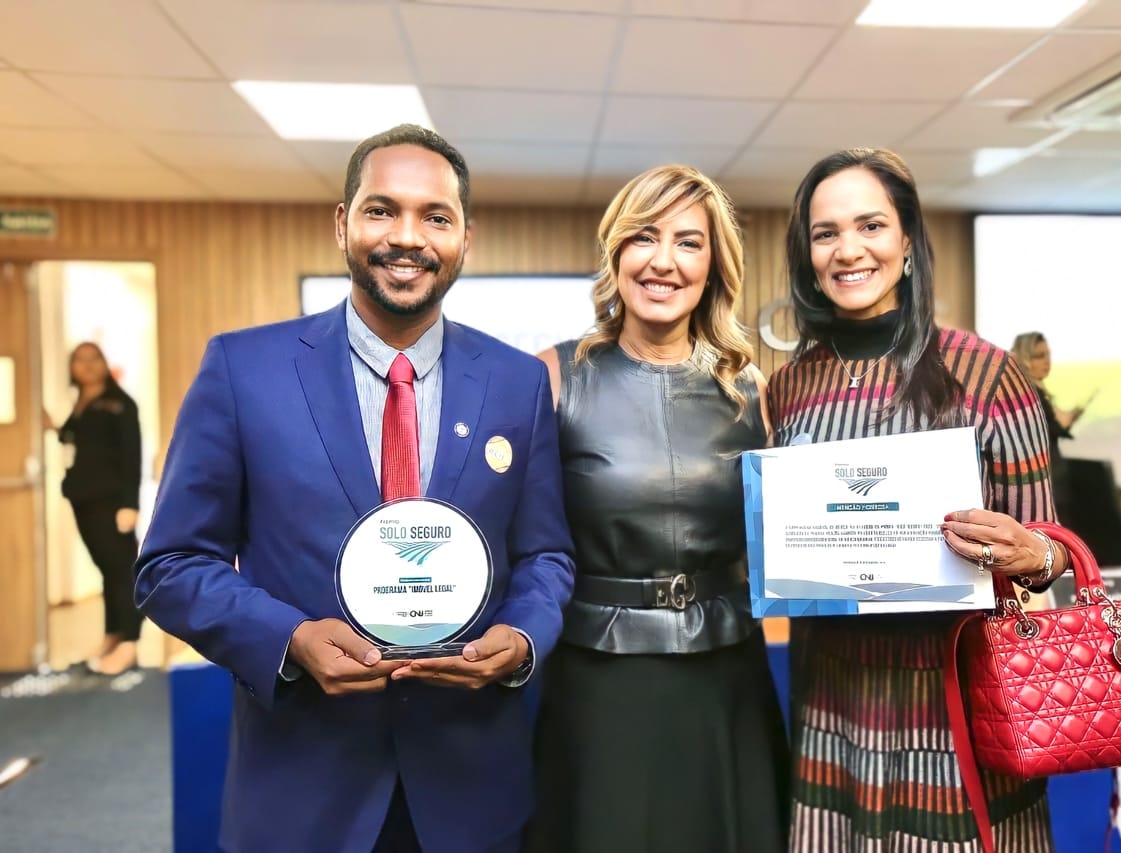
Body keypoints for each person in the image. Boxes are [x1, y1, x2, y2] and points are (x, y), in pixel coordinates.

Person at [135, 124, 575, 853]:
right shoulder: (244, 371)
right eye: (382, 210)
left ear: (467, 239)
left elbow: (546, 555)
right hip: (302, 793)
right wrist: (291, 638)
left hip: (471, 794)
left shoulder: (517, 382)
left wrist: (523, 636)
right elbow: (171, 565)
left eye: (436, 216)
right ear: (343, 223)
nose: (408, 236)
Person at [767, 149, 1072, 851]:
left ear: (907, 241)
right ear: (807, 252)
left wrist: (1032, 550)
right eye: (825, 232)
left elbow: (1051, 548)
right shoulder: (789, 389)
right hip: (833, 712)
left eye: (871, 225)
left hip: (957, 714)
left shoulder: (987, 373)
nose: (849, 249)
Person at [524, 165, 789, 853]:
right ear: (616, 253)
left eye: (688, 242)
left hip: (726, 675)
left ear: (714, 264)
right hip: (600, 678)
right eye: (644, 237)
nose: (663, 260)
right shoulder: (552, 375)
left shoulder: (751, 387)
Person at [53, 342, 143, 675]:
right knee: (107, 570)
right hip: (83, 499)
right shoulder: (82, 404)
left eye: (94, 359)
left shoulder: (120, 404)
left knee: (122, 570)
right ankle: (113, 635)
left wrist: (130, 504)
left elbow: (132, 454)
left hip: (112, 501)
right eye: (80, 360)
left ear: (104, 364)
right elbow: (78, 439)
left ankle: (130, 644)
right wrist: (56, 429)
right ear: (72, 367)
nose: (88, 366)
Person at [1010, 331, 1083, 460]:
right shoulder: (1029, 395)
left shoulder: (1036, 392)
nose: (1046, 361)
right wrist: (1062, 423)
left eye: (1048, 354)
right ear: (1024, 358)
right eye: (1039, 356)